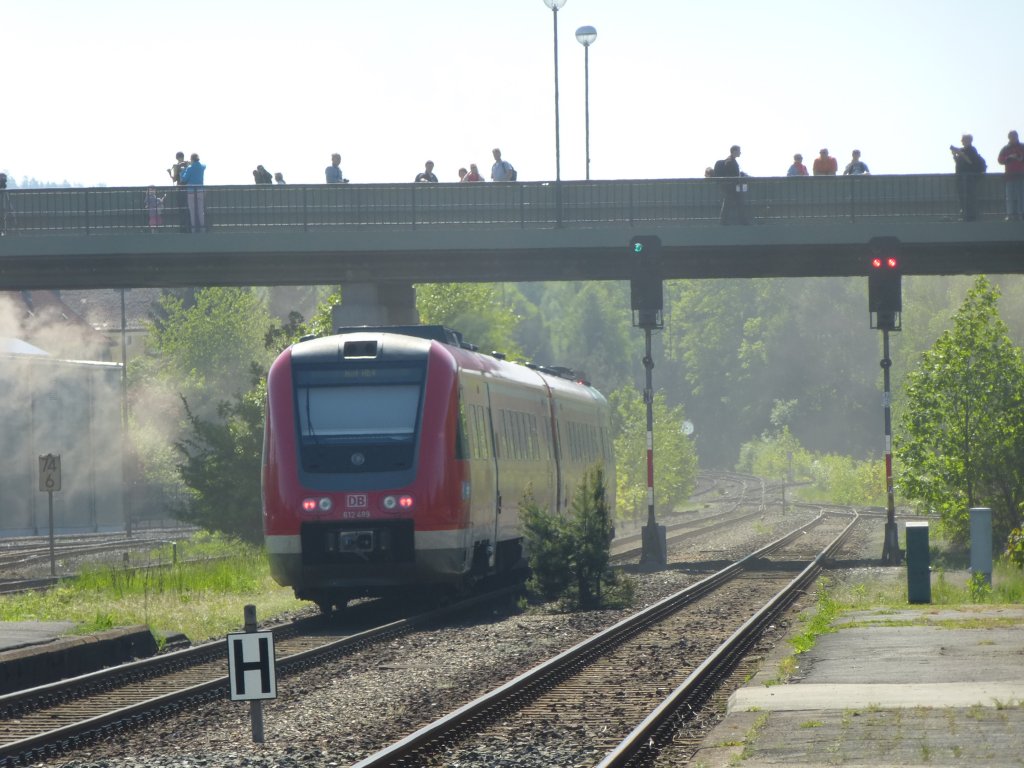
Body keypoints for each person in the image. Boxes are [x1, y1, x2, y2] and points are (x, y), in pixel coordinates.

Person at [951, 134, 986, 221]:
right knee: (962, 196)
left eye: (964, 140)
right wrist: (955, 155)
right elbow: (959, 163)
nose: (962, 141)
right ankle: (964, 213)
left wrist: (961, 154)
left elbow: (970, 162)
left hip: (969, 178)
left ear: (969, 141)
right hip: (961, 177)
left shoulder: (972, 150)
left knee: (970, 196)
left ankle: (971, 215)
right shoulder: (962, 150)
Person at [714, 145, 749, 225]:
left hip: (730, 187)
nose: (740, 152)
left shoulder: (730, 160)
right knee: (737, 204)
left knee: (729, 204)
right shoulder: (730, 161)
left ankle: (724, 222)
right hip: (731, 187)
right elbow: (731, 174)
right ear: (734, 151)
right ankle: (741, 221)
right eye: (739, 151)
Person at [997, 130, 1024, 221]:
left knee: (1021, 196)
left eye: (1014, 136)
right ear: (1009, 138)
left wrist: (1020, 157)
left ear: (1017, 137)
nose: (1013, 138)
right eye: (1011, 137)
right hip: (1009, 176)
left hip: (1021, 175)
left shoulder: (1022, 147)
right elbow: (1000, 160)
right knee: (1010, 197)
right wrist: (1009, 158)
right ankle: (1010, 214)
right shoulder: (1005, 149)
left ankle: (1022, 214)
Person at [179, 153, 206, 233]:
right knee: (201, 211)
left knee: (192, 211)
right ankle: (202, 228)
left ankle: (193, 229)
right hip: (200, 191)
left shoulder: (189, 168)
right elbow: (204, 165)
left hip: (191, 192)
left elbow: (183, 179)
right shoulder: (201, 167)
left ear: (192, 159)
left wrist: (184, 169)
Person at [166, 151, 190, 231]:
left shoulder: (176, 166)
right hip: (188, 189)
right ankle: (188, 226)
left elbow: (174, 179)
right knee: (188, 208)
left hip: (180, 189)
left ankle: (182, 227)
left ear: (177, 158)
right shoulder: (188, 164)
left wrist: (170, 173)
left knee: (181, 208)